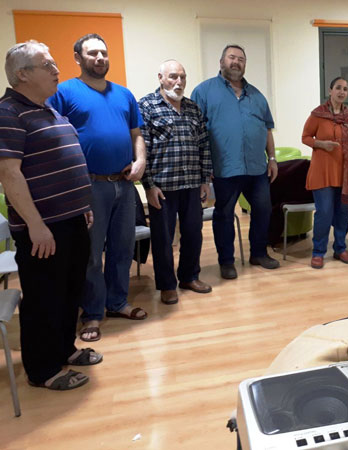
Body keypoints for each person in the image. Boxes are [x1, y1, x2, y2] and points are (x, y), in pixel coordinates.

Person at [0, 41, 101, 390]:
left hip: (71, 220)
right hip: (43, 228)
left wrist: (82, 206)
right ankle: (42, 370)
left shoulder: (47, 110)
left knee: (70, 291)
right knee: (44, 297)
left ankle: (64, 349)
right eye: (47, 65)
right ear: (22, 74)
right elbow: (9, 173)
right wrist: (35, 224)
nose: (57, 70)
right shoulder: (8, 112)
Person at [50, 33, 148, 342]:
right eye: (92, 53)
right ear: (78, 58)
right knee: (91, 254)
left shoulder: (124, 94)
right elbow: (52, 136)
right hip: (89, 186)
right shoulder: (64, 92)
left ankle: (117, 302)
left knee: (122, 248)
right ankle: (92, 312)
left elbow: (136, 134)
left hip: (124, 185)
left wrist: (141, 161)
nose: (100, 58)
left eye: (103, 52)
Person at [192, 44, 279, 280]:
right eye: (231, 57)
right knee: (224, 214)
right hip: (224, 168)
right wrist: (203, 166)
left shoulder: (257, 96)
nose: (236, 62)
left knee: (263, 209)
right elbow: (195, 132)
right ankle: (226, 261)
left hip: (256, 167)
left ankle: (258, 253)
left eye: (241, 59)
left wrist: (272, 158)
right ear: (221, 62)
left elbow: (267, 129)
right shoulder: (204, 92)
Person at [139, 60, 213, 305]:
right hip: (162, 187)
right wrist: (149, 185)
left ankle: (189, 277)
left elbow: (203, 144)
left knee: (193, 234)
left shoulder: (192, 108)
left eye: (183, 77)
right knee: (163, 239)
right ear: (160, 77)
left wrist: (205, 179)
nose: (179, 82)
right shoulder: (146, 106)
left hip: (191, 183)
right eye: (173, 76)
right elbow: (141, 148)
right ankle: (167, 285)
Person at [301, 77, 348, 269]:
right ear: (330, 90)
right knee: (324, 213)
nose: (342, 92)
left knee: (342, 213)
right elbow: (305, 137)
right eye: (338, 88)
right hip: (323, 172)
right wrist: (321, 144)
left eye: (345, 89)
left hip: (344, 174)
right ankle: (318, 252)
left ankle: (340, 248)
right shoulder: (318, 114)